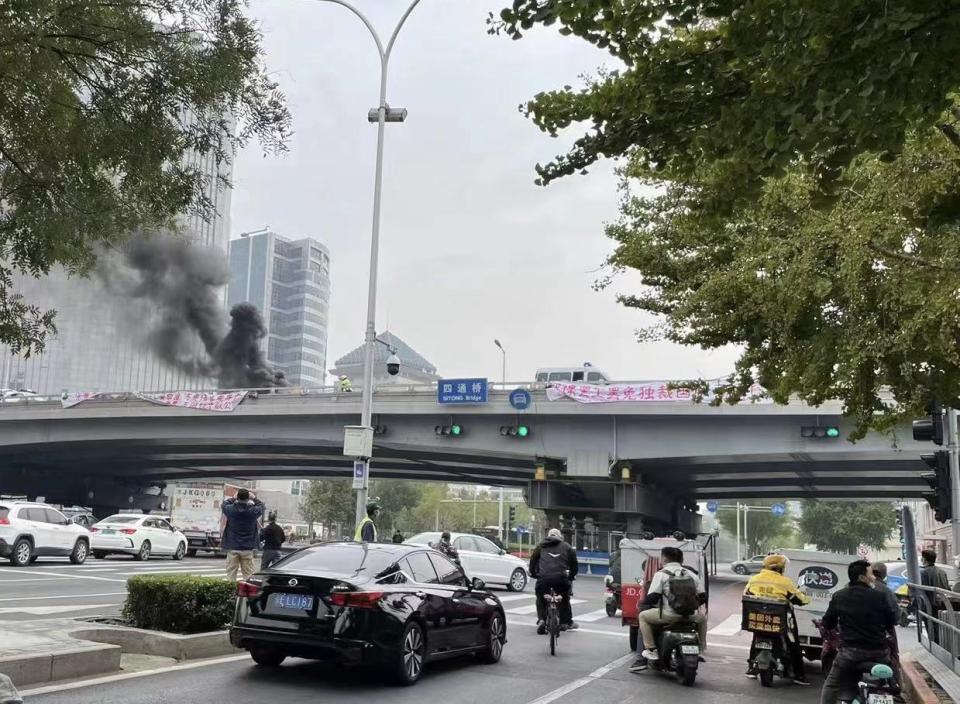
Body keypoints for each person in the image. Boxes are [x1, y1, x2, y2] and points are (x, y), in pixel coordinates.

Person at [820, 560, 897, 704]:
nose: (874, 577)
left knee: (832, 684)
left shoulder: (840, 596)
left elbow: (828, 623)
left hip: (850, 654)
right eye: (871, 574)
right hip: (879, 653)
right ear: (862, 577)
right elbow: (892, 621)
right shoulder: (879, 596)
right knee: (891, 681)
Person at [631, 546, 707, 672]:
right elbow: (703, 597)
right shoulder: (692, 574)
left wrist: (643, 604)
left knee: (643, 616)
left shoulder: (661, 574)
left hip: (668, 615)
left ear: (664, 558)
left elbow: (653, 598)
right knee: (703, 618)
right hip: (690, 616)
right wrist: (690, 607)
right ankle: (701, 648)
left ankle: (651, 650)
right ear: (681, 559)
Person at [742, 554, 811, 685]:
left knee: (756, 636)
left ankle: (751, 668)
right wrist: (806, 598)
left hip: (758, 619)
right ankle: (799, 675)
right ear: (780, 568)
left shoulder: (754, 579)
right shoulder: (785, 582)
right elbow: (801, 599)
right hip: (779, 621)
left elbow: (746, 594)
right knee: (794, 644)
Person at [530, 528, 579, 633]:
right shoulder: (567, 547)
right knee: (565, 598)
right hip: (561, 579)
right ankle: (565, 622)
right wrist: (571, 576)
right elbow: (574, 564)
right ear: (560, 537)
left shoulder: (540, 546)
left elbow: (533, 561)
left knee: (540, 597)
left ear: (548, 536)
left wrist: (534, 574)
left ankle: (542, 619)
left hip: (543, 579)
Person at [221, 488, 265, 581]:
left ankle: (231, 592)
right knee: (248, 574)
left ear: (238, 497)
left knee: (231, 574)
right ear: (248, 498)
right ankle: (247, 594)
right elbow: (261, 506)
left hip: (232, 546)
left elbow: (224, 504)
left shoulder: (230, 509)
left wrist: (233, 498)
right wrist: (254, 498)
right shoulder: (253, 511)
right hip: (247, 548)